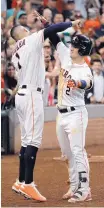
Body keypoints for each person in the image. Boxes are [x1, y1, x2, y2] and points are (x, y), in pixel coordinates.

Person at [11, 10, 81, 202]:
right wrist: (72, 23)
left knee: (26, 141)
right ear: (22, 31)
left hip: (22, 96)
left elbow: (49, 31)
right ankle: (28, 184)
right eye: (25, 27)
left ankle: (21, 180)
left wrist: (45, 24)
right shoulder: (30, 39)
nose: (28, 28)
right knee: (33, 141)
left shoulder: (16, 48)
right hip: (32, 95)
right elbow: (55, 29)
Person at [46, 31, 93, 202]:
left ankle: (85, 189)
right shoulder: (66, 56)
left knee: (78, 151)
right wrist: (46, 24)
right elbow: (54, 37)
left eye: (74, 45)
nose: (71, 47)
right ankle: (74, 186)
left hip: (76, 114)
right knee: (68, 153)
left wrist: (78, 83)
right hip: (62, 114)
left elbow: (88, 83)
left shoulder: (85, 69)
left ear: (81, 50)